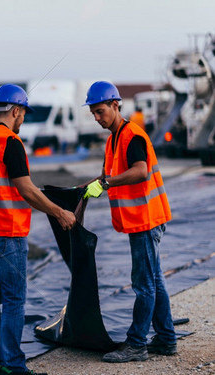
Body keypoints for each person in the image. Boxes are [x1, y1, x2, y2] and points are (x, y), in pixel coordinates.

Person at [0, 84, 76, 375]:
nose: (23, 120)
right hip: (5, 232)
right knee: (14, 299)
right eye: (23, 114)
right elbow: (25, 189)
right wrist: (59, 211)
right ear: (15, 111)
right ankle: (14, 366)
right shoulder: (9, 141)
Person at [82, 81, 176, 363]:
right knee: (154, 281)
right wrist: (83, 192)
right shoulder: (113, 140)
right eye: (93, 114)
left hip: (146, 220)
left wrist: (107, 183)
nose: (97, 118)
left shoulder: (132, 136)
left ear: (115, 105)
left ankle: (137, 344)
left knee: (144, 284)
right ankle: (167, 338)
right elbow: (104, 177)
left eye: (100, 112)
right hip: (140, 221)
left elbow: (141, 172)